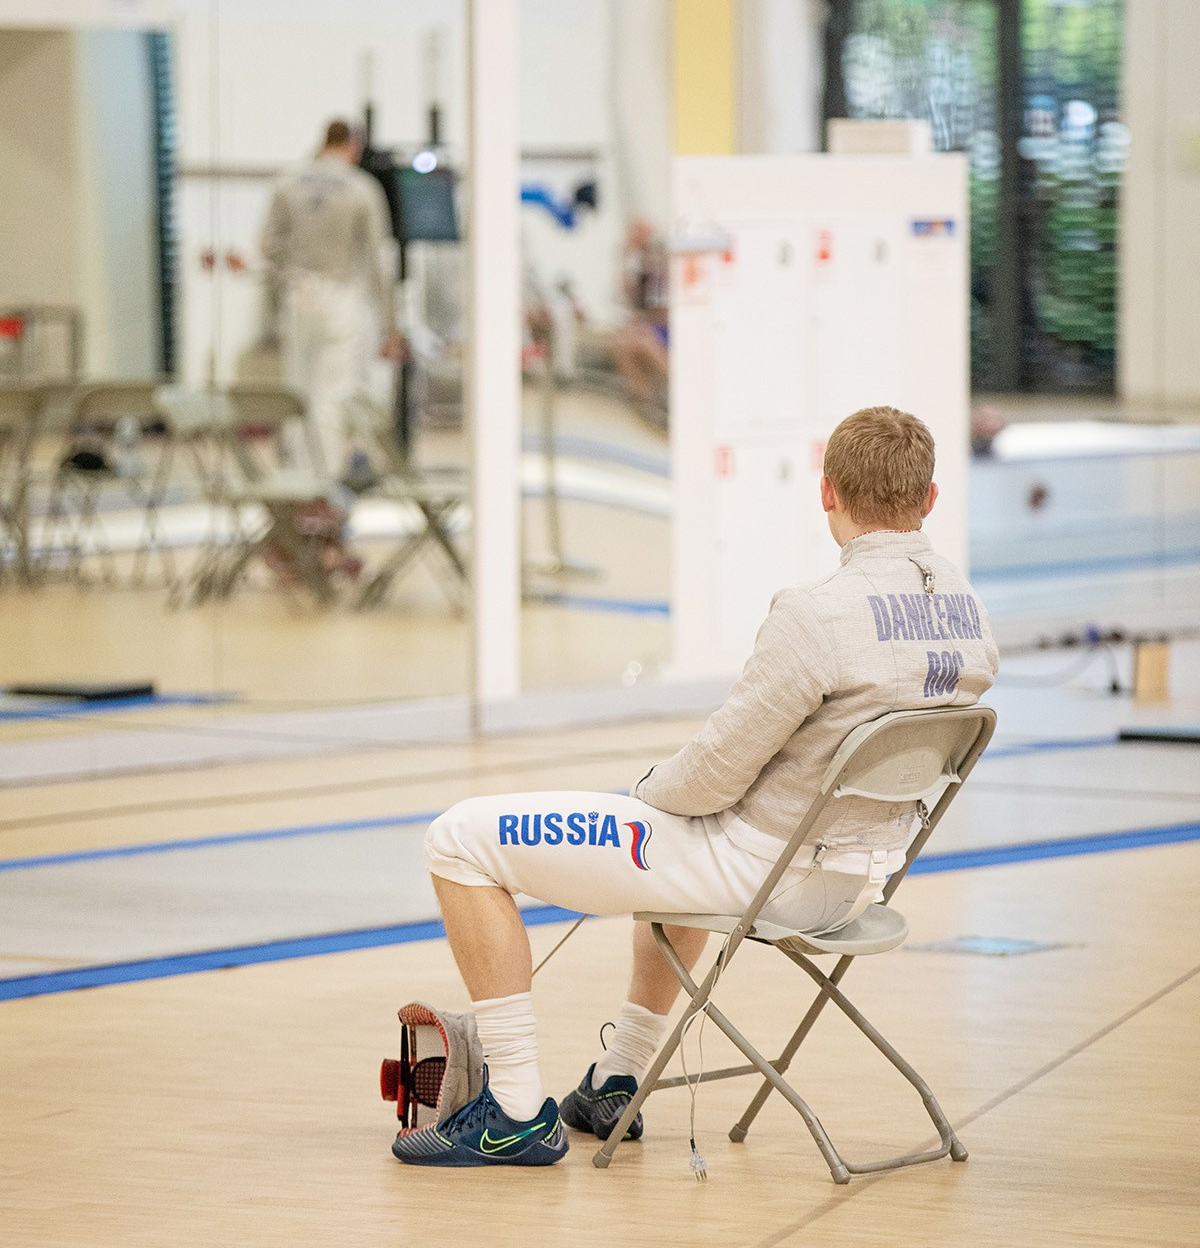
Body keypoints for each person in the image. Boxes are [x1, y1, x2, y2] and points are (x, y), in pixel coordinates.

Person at [393, 406, 999, 1167]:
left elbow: (710, 778)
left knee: (459, 839)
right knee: (679, 840)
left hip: (766, 872)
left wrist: (641, 796)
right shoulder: (971, 618)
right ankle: (619, 1080)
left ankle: (513, 1111)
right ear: (930, 500)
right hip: (860, 885)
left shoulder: (815, 615)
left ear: (827, 493)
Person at [261, 119, 398, 482]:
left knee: (297, 391)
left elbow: (267, 247)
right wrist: (391, 325)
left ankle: (295, 480)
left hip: (298, 295)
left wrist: (295, 277)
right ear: (353, 147)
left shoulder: (288, 181)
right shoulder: (361, 187)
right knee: (332, 396)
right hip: (339, 298)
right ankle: (324, 489)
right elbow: (378, 262)